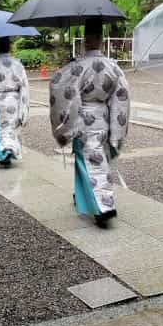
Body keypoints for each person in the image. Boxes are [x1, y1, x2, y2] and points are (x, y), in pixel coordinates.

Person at [49, 18, 130, 228]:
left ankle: (103, 207)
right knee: (100, 161)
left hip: (82, 119)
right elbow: (122, 99)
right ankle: (85, 197)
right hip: (103, 118)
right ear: (101, 40)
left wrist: (64, 126)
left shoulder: (77, 67)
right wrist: (117, 131)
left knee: (87, 163)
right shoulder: (113, 67)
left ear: (85, 40)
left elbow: (59, 86)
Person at [0, 36, 30, 167]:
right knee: (12, 128)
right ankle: (10, 149)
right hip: (14, 99)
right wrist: (23, 105)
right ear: (11, 47)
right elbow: (24, 85)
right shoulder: (18, 64)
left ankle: (3, 154)